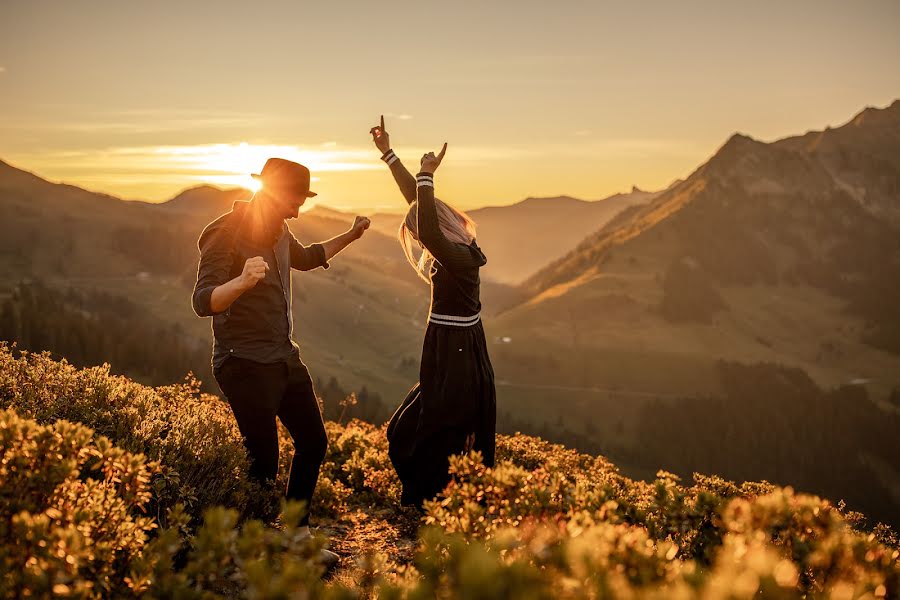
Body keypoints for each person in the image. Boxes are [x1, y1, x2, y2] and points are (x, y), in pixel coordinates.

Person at [191, 157, 370, 560]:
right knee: (264, 462)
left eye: (302, 199)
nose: (298, 207)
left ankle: (296, 536)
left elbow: (306, 257)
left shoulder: (279, 230)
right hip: (243, 362)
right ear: (271, 192)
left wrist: (352, 235)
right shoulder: (226, 232)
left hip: (283, 358)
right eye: (294, 198)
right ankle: (247, 550)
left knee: (313, 441)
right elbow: (203, 301)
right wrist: (241, 281)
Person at [370, 116, 497, 508]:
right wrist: (389, 155)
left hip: (455, 349)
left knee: (437, 429)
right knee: (422, 425)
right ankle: (438, 499)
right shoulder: (455, 249)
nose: (420, 244)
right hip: (450, 347)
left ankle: (441, 502)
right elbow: (420, 207)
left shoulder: (458, 256)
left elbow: (425, 225)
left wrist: (427, 175)